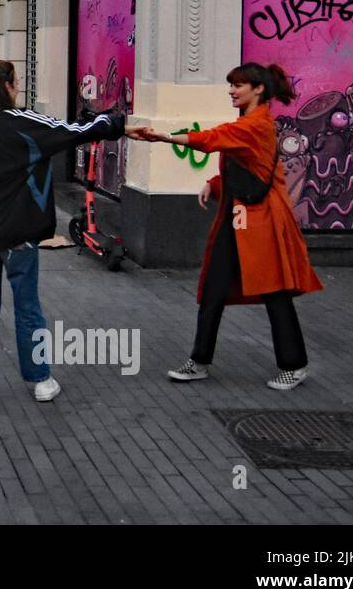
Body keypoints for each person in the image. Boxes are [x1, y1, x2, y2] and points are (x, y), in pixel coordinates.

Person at [0, 57, 126, 408]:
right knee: (28, 307)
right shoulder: (19, 122)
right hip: (17, 233)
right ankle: (40, 381)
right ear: (4, 86)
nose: (18, 87)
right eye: (15, 81)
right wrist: (112, 122)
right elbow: (70, 132)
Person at [130, 62, 321, 390]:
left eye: (239, 85)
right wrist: (217, 183)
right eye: (231, 85)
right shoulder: (248, 122)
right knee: (214, 289)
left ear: (258, 89)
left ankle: (294, 365)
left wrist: (163, 135)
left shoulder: (256, 123)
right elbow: (242, 161)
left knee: (273, 290)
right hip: (240, 217)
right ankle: (199, 361)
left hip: (262, 219)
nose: (232, 90)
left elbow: (215, 139)